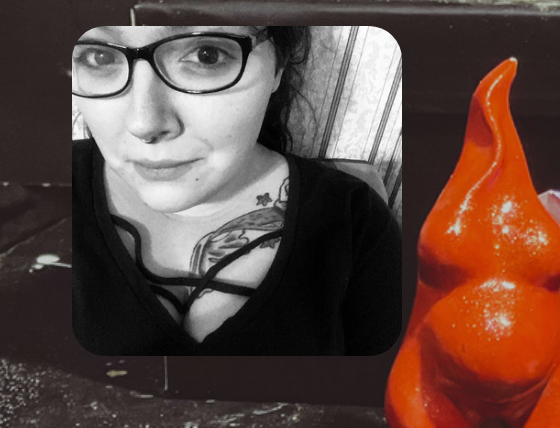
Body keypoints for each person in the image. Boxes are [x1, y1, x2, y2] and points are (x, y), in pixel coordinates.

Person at [70, 25, 402, 355]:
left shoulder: (354, 220)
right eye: (100, 57)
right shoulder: (44, 192)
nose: (144, 124)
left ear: (278, 65)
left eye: (207, 56)